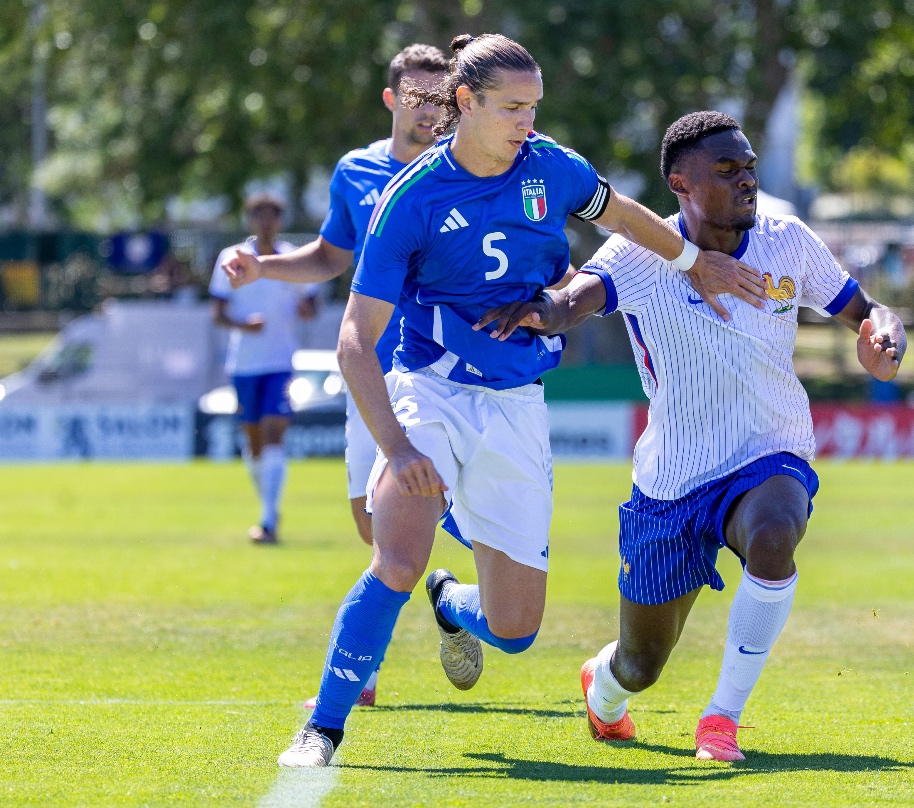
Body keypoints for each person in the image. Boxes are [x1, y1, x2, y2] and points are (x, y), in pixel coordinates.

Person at [276, 35, 766, 768]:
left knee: (513, 629)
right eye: (510, 108)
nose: (525, 123)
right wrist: (400, 448)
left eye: (533, 107)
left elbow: (624, 216)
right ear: (465, 103)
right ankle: (323, 728)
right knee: (397, 557)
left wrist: (696, 264)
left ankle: (452, 601)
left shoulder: (551, 165)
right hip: (428, 394)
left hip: (516, 406)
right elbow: (355, 340)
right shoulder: (411, 198)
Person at [476, 111, 907, 761]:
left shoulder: (787, 241)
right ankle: (607, 689)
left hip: (771, 449)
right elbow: (576, 299)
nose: (747, 181)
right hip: (672, 478)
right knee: (642, 663)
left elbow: (862, 308)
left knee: (773, 535)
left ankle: (721, 719)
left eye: (750, 167)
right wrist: (541, 312)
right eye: (726, 171)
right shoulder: (642, 251)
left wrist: (882, 333)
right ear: (681, 183)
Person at [223, 43, 449, 710]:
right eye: (418, 95)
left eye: (442, 98)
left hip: (444, 374)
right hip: (372, 373)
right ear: (392, 98)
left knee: (416, 518)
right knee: (367, 522)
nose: (430, 109)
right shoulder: (356, 172)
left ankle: (372, 658)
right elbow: (329, 256)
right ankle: (443, 592)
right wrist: (264, 267)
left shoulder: (467, 171)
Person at [209, 193, 319, 544]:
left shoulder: (292, 258)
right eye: (259, 216)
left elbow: (312, 303)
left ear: (280, 221)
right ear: (250, 221)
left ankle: (269, 520)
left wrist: (306, 310)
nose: (266, 222)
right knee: (254, 441)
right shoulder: (231, 258)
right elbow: (218, 313)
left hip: (280, 363)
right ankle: (268, 507)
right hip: (243, 364)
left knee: (274, 434)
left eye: (272, 216)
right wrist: (244, 326)